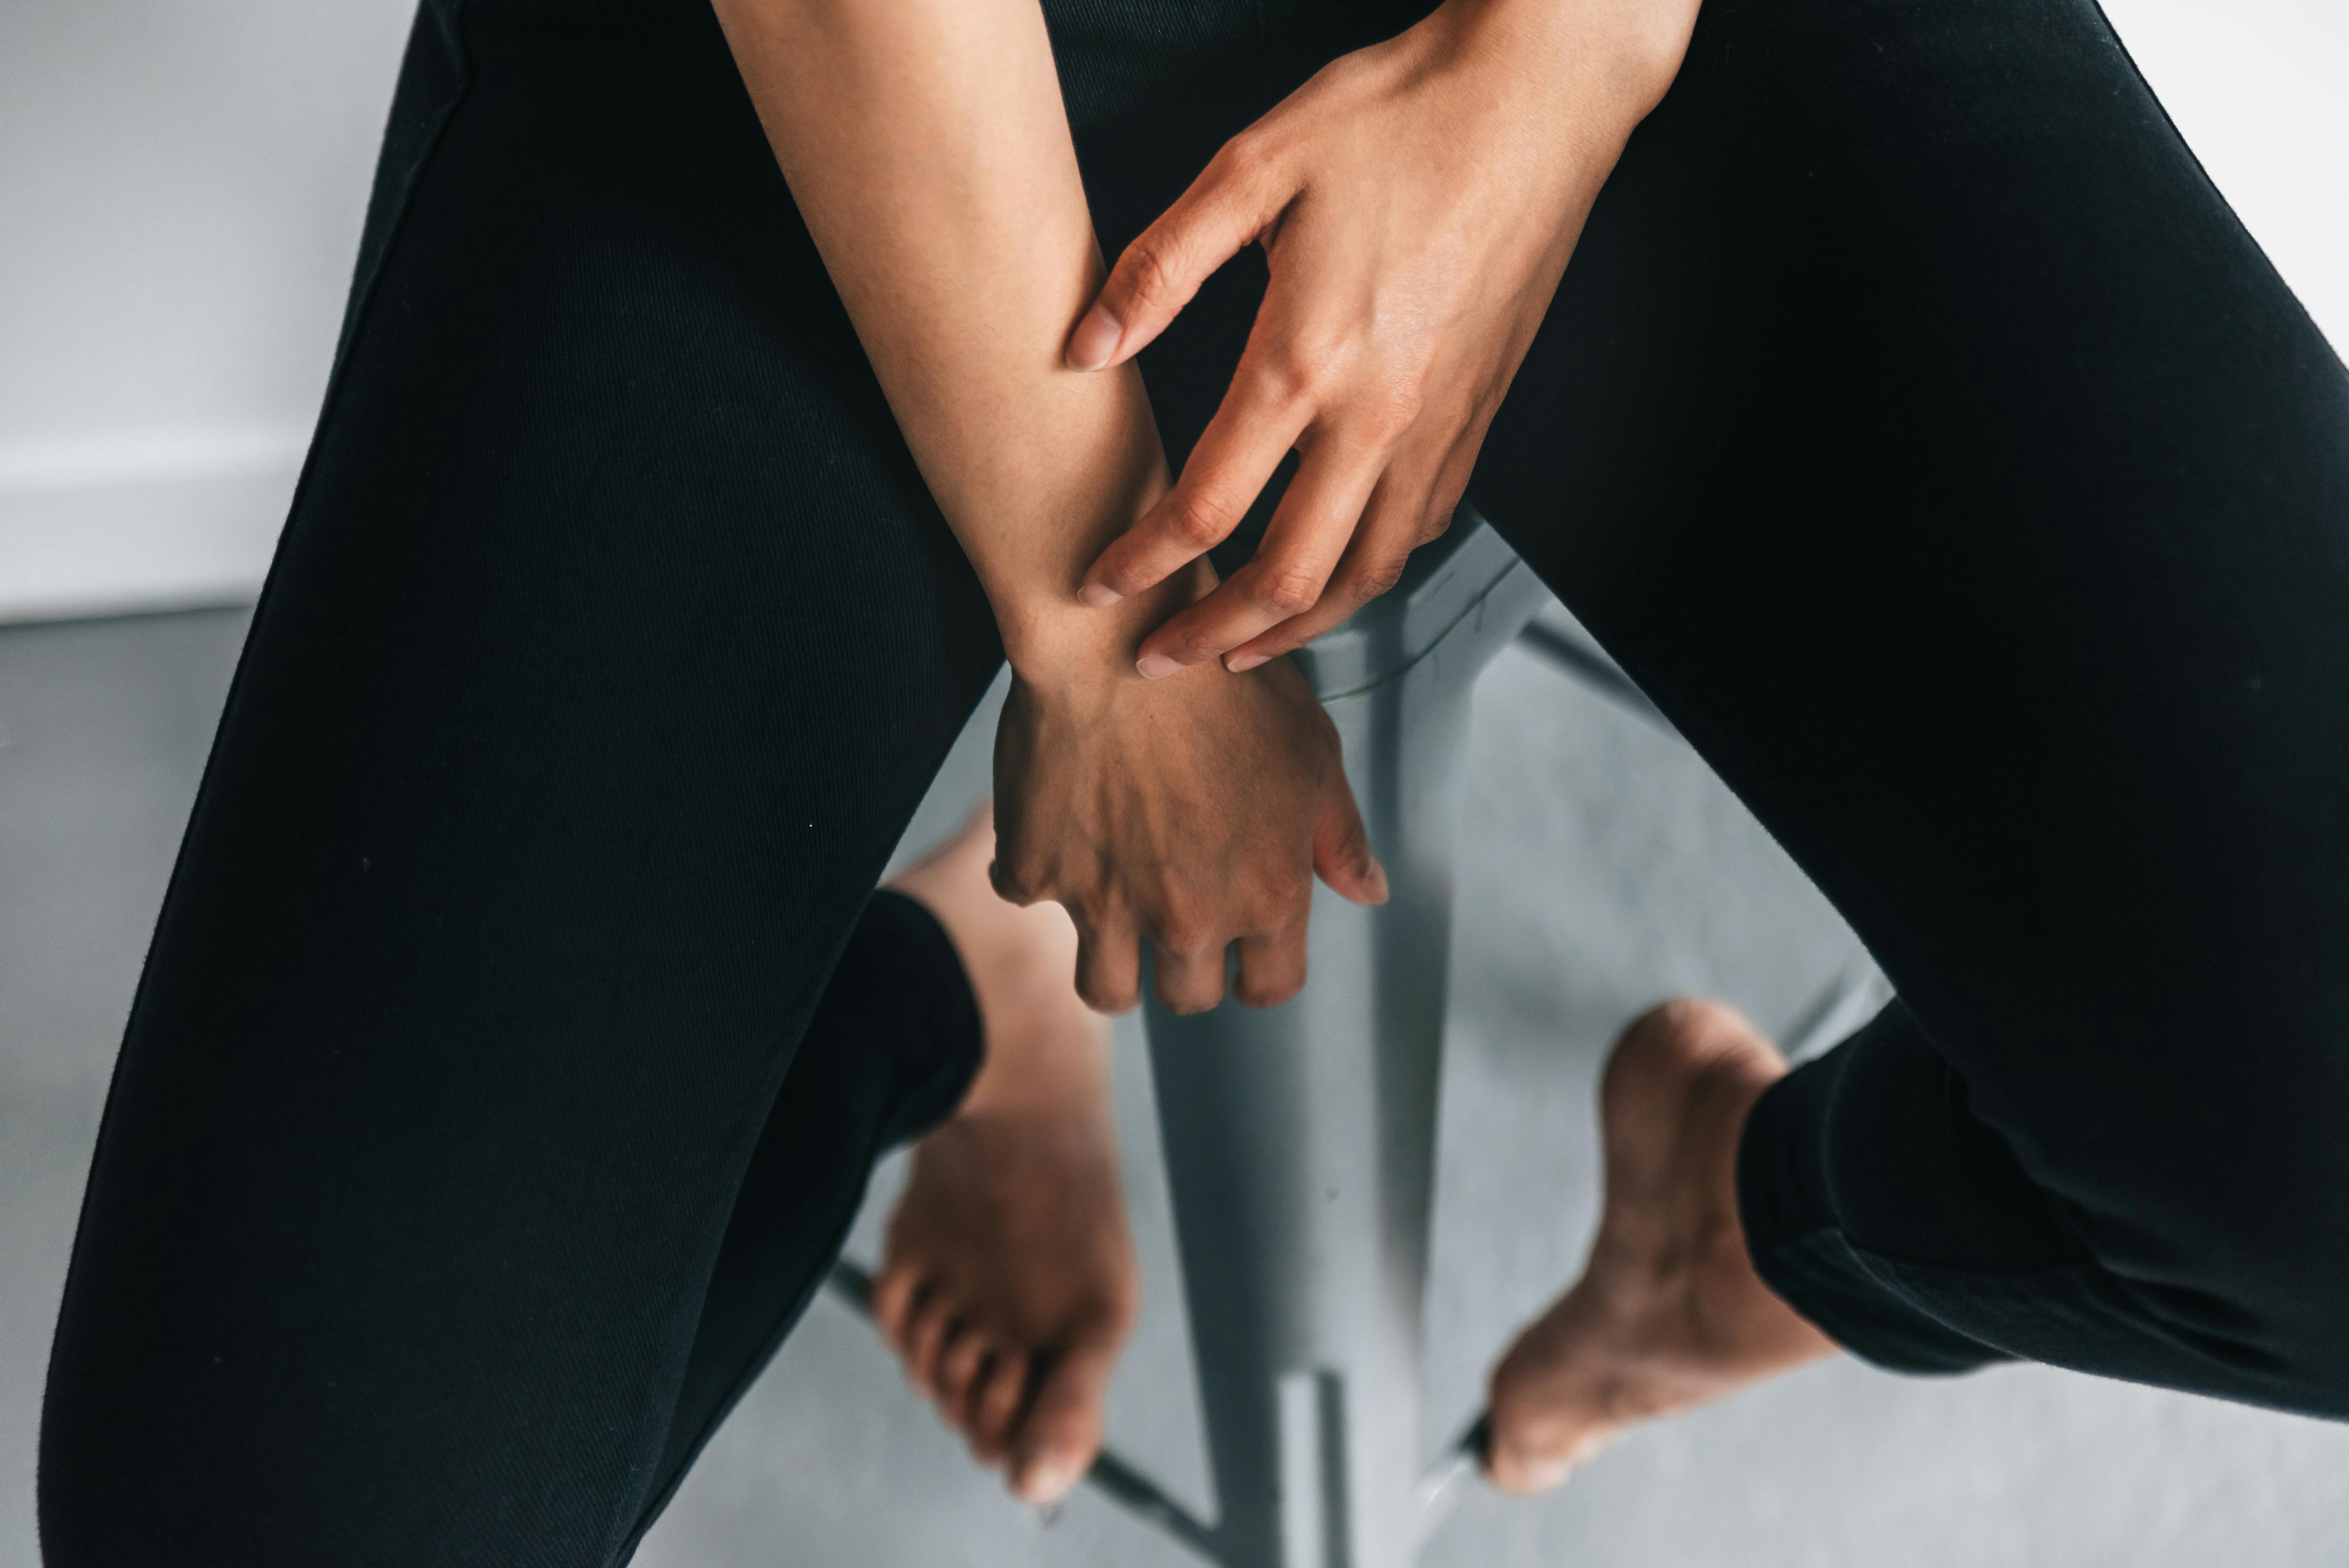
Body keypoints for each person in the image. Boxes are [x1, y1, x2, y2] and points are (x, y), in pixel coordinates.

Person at [37, 0, 2349, 1557]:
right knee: (268, 1514)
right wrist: (1100, 618)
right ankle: (951, 994)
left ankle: (1747, 1231)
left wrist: (1568, 58)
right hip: (859, 71)